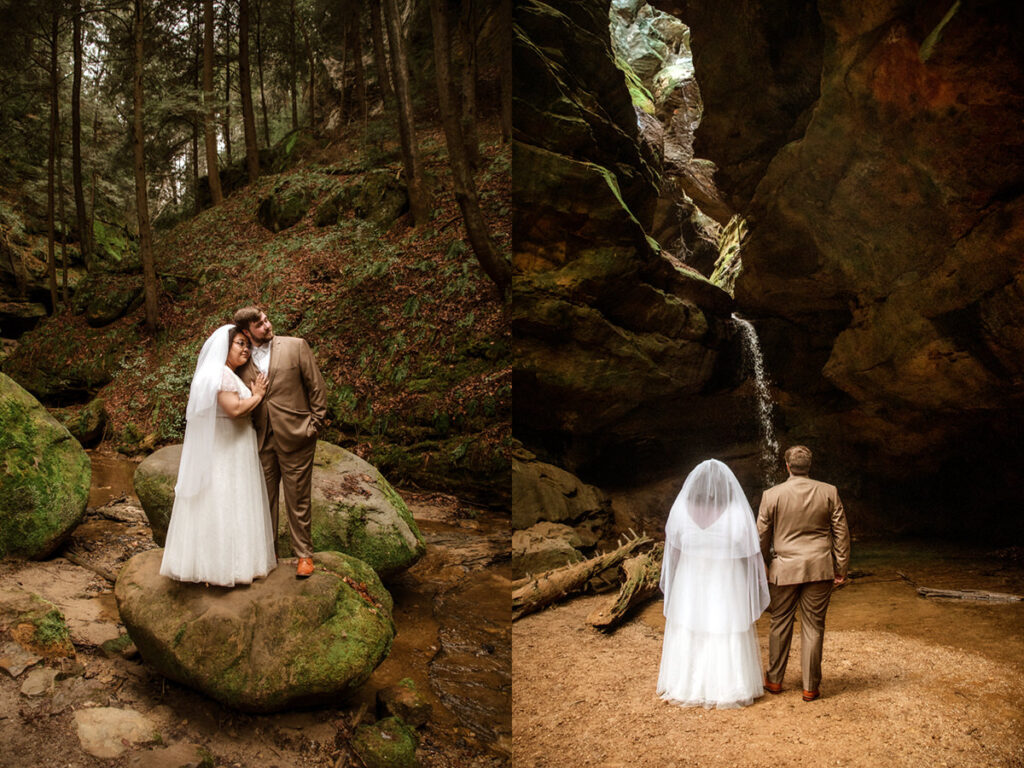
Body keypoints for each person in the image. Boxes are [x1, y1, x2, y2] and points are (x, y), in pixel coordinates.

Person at [160, 324, 277, 586]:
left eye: (247, 344)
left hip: (231, 446)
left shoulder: (223, 374)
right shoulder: (221, 376)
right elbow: (234, 409)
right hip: (227, 449)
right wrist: (257, 394)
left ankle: (228, 564)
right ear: (224, 347)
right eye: (239, 343)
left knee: (229, 503)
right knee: (226, 503)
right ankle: (222, 569)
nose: (245, 348)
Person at [658, 458, 770, 709]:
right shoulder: (737, 512)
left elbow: (673, 552)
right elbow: (751, 551)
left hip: (690, 580)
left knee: (691, 627)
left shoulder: (680, 511)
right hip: (725, 581)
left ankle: (684, 685)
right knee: (724, 626)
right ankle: (730, 686)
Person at [233, 306, 327, 578]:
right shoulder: (240, 360)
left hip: (298, 435)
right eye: (259, 325)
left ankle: (304, 556)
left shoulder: (296, 346)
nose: (267, 325)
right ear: (246, 332)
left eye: (265, 320)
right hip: (260, 438)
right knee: (264, 500)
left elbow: (317, 387)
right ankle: (268, 553)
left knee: (298, 499)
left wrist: (314, 425)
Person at [757, 445, 850, 702]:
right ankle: (810, 687)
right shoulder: (829, 492)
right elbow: (841, 532)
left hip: (784, 569)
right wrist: (840, 567)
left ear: (787, 466)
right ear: (809, 466)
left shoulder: (771, 495)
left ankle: (774, 680)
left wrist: (762, 567)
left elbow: (761, 536)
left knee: (779, 622)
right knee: (813, 626)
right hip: (820, 568)